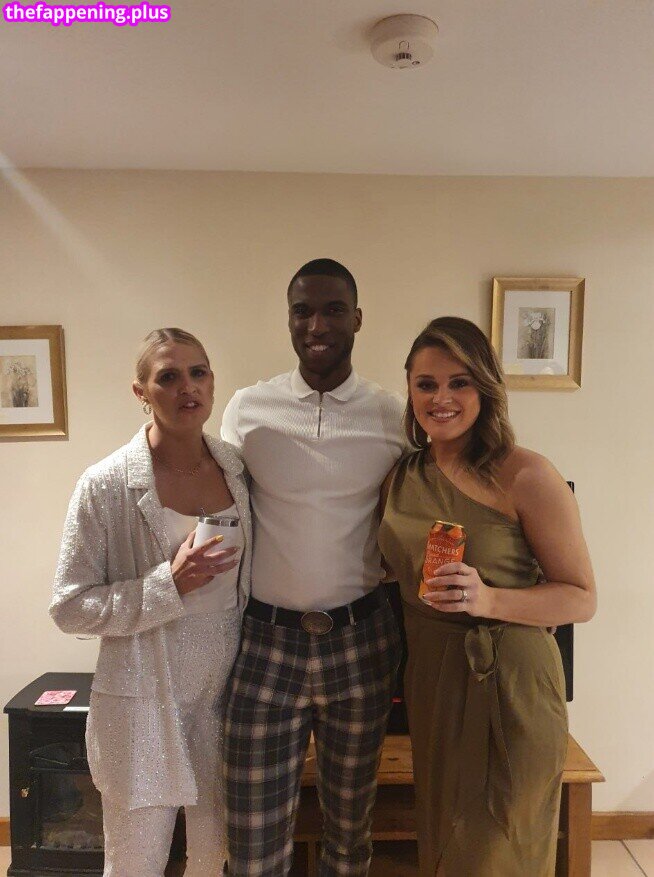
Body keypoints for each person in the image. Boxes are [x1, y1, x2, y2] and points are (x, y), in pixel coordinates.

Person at [378, 316, 596, 877]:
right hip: (431, 678)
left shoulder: (526, 474)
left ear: (486, 387)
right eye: (426, 384)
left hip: (510, 680)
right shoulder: (401, 475)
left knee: (499, 847)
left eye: (460, 382)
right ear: (409, 391)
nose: (441, 398)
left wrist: (489, 600)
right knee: (444, 841)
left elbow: (580, 598)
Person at [220, 259, 406, 876]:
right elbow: (217, 503)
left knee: (350, 836)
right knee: (252, 843)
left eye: (332, 310)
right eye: (302, 311)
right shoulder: (249, 408)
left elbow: (423, 508)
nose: (317, 325)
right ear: (289, 319)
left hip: (362, 640)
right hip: (264, 642)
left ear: (358, 318)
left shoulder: (392, 414)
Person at [50, 328, 251, 877]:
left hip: (226, 695)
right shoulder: (105, 484)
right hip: (143, 697)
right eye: (168, 376)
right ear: (141, 391)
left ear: (212, 381)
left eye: (198, 372)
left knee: (213, 857)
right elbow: (69, 606)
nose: (188, 387)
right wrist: (167, 584)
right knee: (135, 861)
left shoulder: (239, 471)